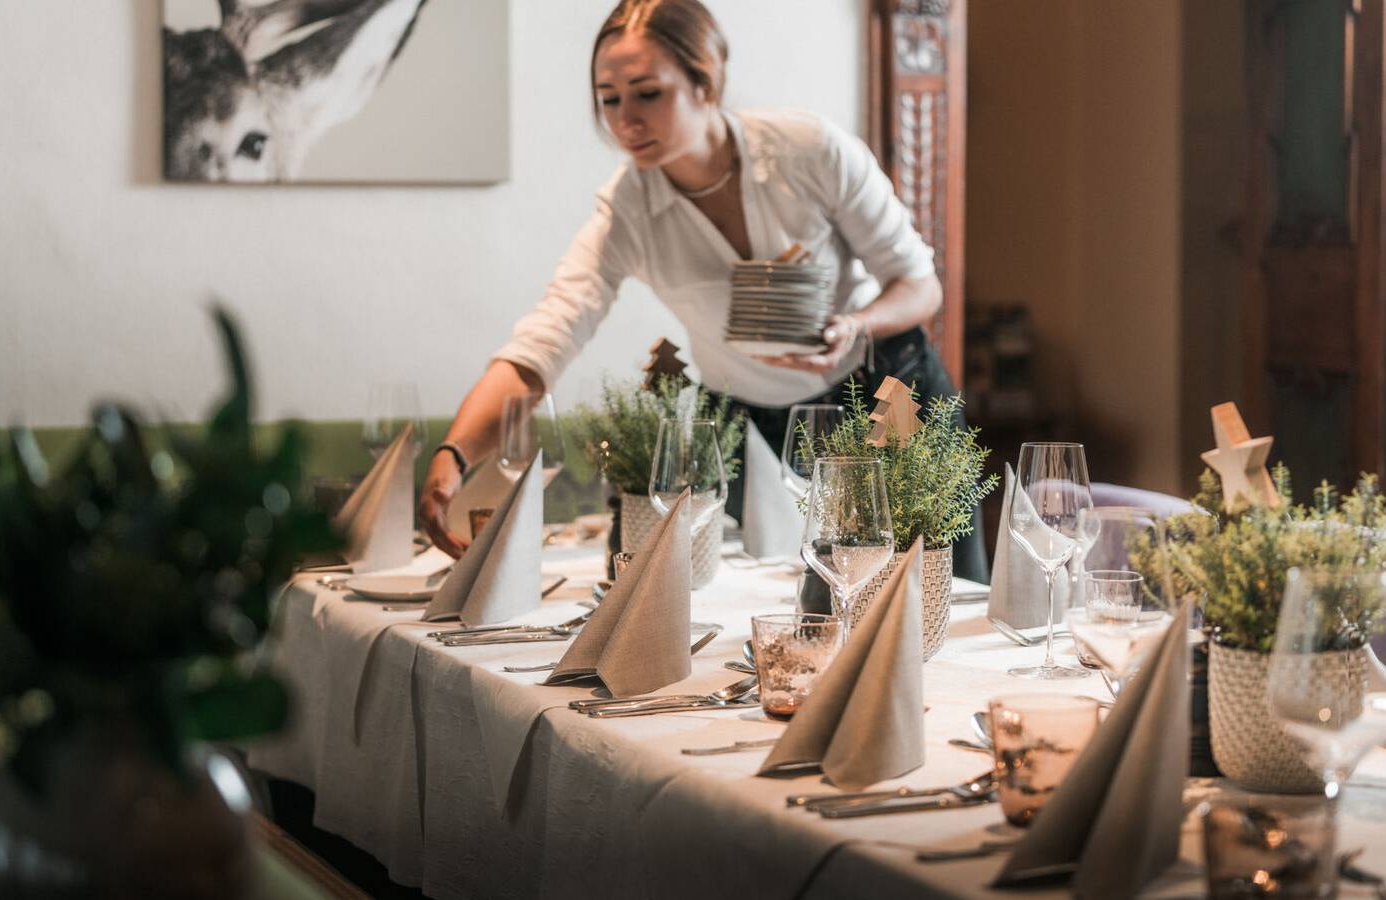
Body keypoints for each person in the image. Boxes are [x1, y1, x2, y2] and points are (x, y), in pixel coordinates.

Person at [419, 0, 987, 581]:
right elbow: (543, 343)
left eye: (647, 93)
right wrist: (453, 455)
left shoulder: (811, 150)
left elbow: (920, 287)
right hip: (755, 424)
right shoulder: (627, 213)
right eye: (609, 98)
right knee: (803, 606)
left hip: (886, 393)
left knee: (936, 596)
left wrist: (855, 325)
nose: (624, 120)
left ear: (706, 81)